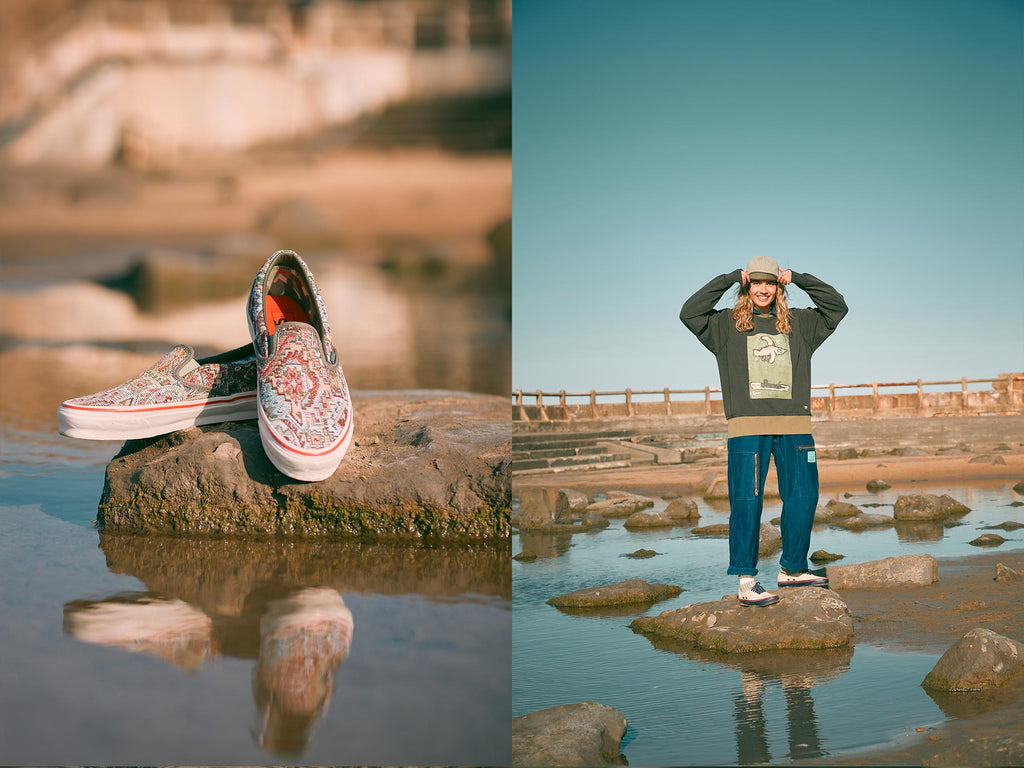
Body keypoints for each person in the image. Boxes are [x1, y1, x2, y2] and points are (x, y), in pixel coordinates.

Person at [680, 255, 848, 606]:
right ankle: (745, 580)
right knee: (747, 502)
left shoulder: (800, 324)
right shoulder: (725, 326)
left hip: (794, 426)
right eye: (756, 282)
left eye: (769, 282)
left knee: (804, 497)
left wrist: (799, 277)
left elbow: (837, 306)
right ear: (747, 285)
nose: (762, 289)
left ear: (778, 286)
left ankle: (792, 569)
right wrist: (728, 277)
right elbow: (690, 312)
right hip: (747, 427)